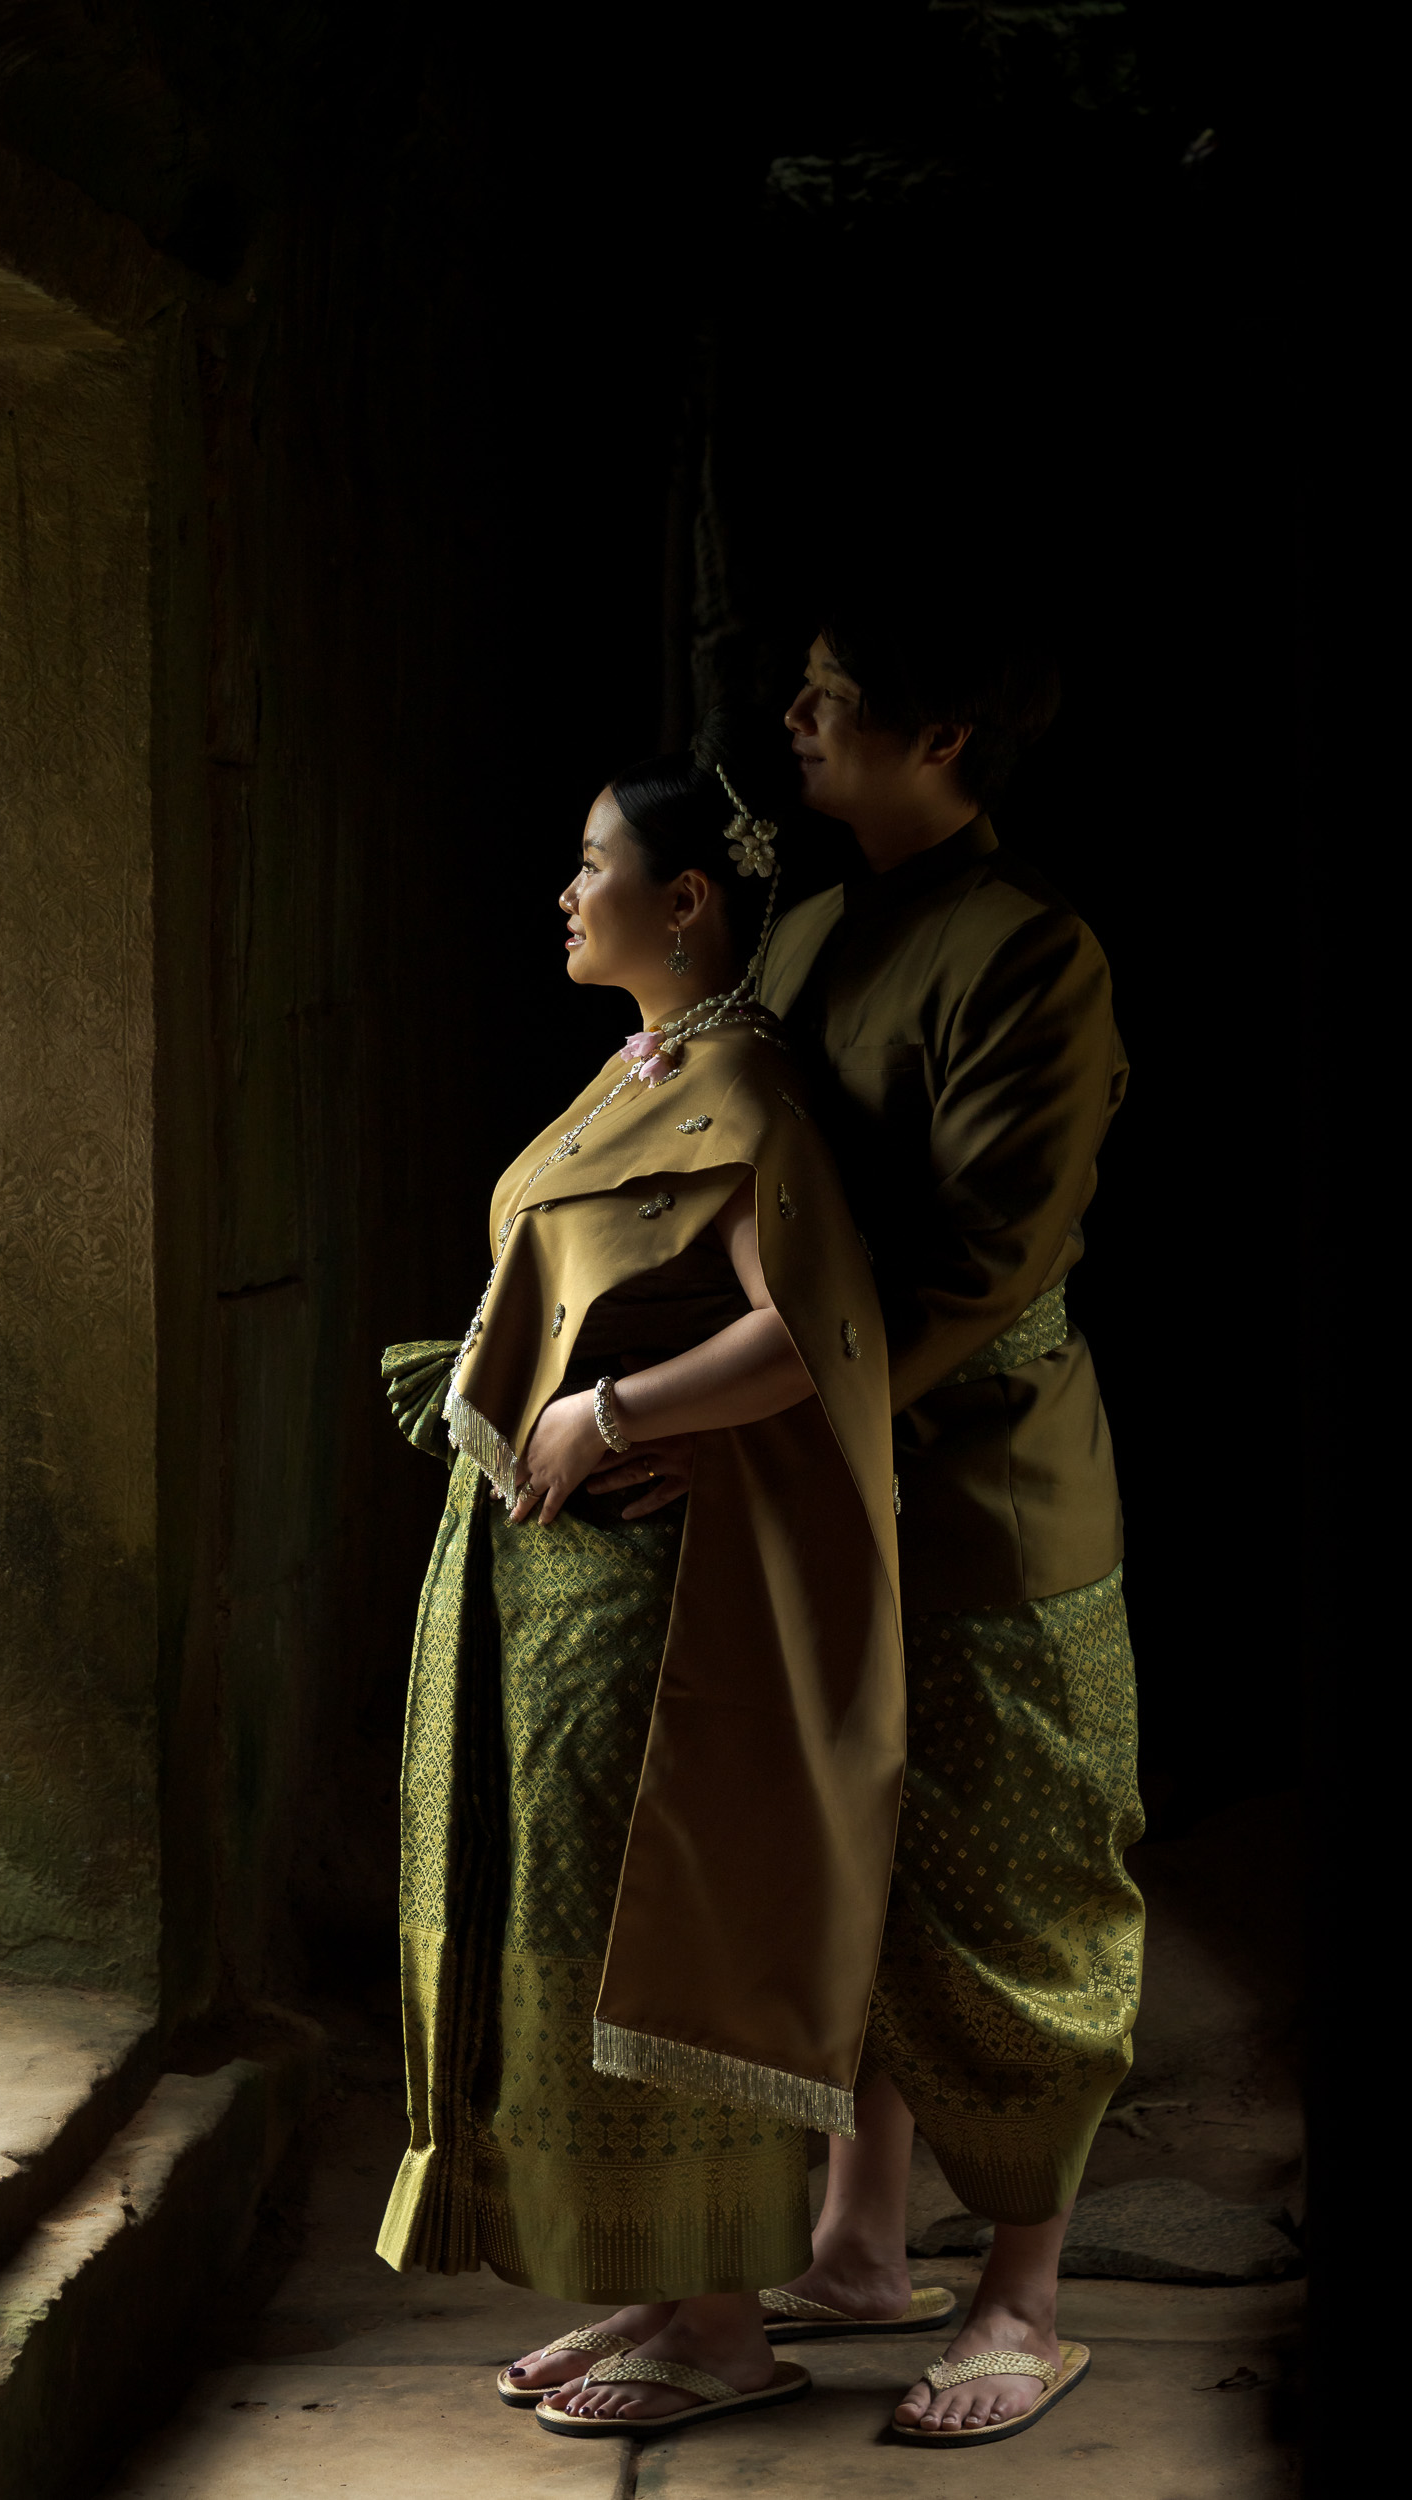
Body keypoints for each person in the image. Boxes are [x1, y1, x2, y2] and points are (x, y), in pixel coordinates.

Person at [375, 729, 927, 2439]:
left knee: (654, 1941)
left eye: (592, 864)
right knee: (565, 1942)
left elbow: (808, 1336)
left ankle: (724, 2327)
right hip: (568, 1598)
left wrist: (613, 1408)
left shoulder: (741, 1087)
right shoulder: (639, 1067)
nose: (566, 890)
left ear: (682, 903)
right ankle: (658, 2288)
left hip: (660, 1611)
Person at [741, 588, 1141, 2446]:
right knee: (850, 1872)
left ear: (946, 737)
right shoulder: (812, 927)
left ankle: (1021, 2292)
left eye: (834, 697)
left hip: (978, 1477)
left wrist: (757, 1407)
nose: (799, 716)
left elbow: (984, 1255)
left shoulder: (1031, 955)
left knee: (1008, 1884)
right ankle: (855, 2240)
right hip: (812, 1454)